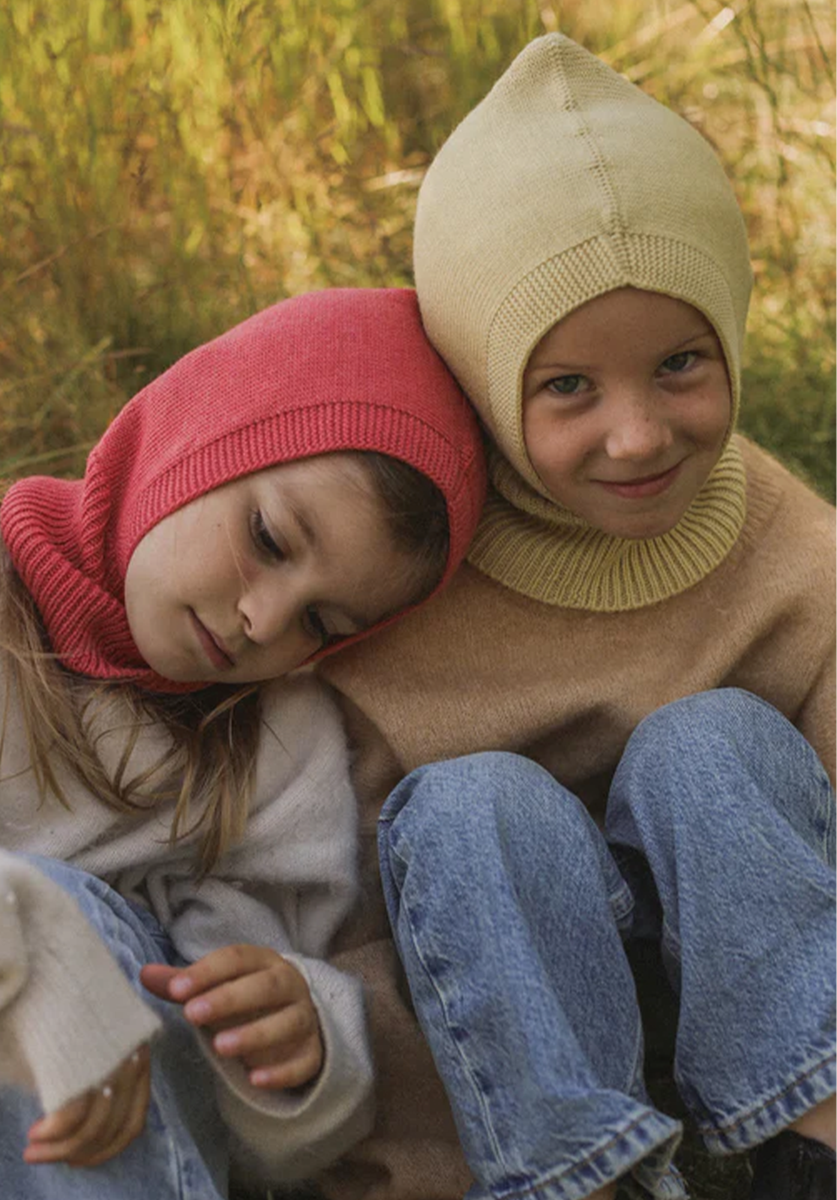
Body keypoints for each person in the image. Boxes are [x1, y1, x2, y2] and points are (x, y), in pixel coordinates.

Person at [315, 35, 836, 1200]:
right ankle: (578, 1179)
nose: (638, 434)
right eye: (567, 387)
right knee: (466, 804)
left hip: (764, 978)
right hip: (521, 1035)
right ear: (484, 383)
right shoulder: (407, 589)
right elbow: (346, 909)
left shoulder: (792, 549)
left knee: (714, 744)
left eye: (681, 364)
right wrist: (405, 1148)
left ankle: (820, 1131)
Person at [0, 286, 487, 1200]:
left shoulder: (278, 747)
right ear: (197, 434)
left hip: (86, 1149)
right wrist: (26, 952)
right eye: (268, 539)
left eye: (320, 620)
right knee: (47, 919)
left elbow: (255, 1090)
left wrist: (300, 1039)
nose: (262, 620)